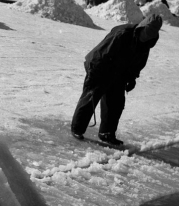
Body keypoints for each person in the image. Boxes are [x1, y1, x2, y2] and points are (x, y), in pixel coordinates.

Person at [70, 13, 163, 146]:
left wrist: (132, 78)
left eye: (150, 35)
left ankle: (106, 133)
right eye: (146, 33)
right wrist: (95, 75)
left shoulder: (148, 42)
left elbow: (138, 62)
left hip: (119, 71)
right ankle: (77, 128)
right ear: (142, 27)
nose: (146, 37)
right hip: (99, 66)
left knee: (116, 103)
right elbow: (101, 54)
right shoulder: (122, 33)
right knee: (91, 97)